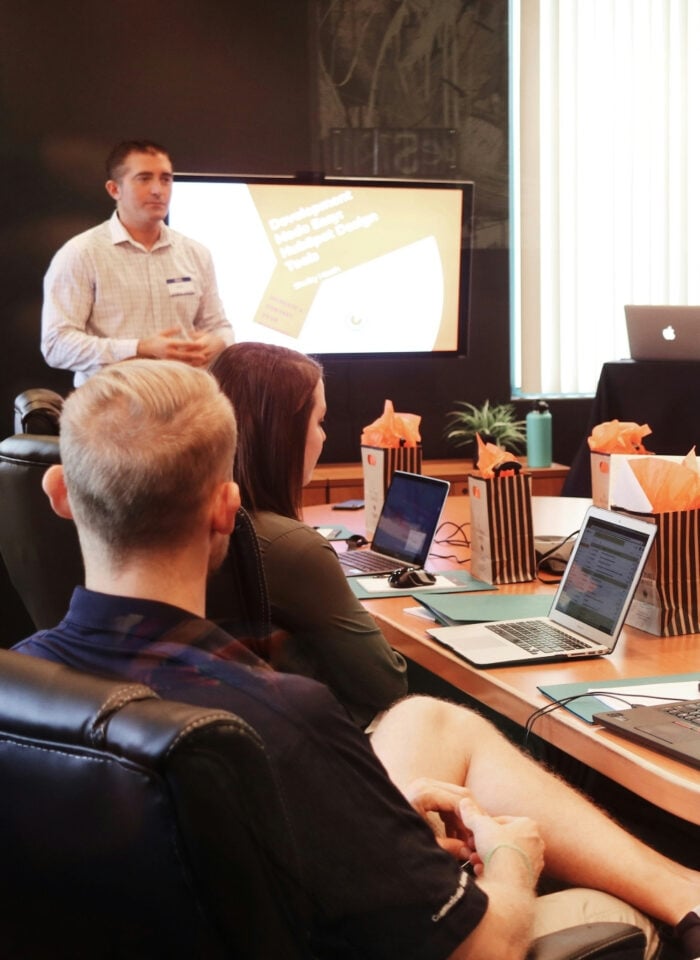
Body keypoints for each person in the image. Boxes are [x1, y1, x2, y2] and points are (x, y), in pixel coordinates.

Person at [12, 359, 700, 960]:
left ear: (59, 497)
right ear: (226, 509)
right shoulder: (280, 719)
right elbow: (481, 948)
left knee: (429, 718)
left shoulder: (23, 686)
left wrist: (378, 809)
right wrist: (513, 860)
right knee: (610, 916)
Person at [211, 341, 407, 727]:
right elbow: (387, 685)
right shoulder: (292, 547)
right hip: (324, 743)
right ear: (281, 433)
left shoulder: (197, 521)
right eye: (319, 421)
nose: (324, 437)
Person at [41, 139, 234, 386]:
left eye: (165, 179)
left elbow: (220, 327)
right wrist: (140, 348)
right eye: (144, 178)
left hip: (186, 402)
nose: (158, 190)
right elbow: (56, 345)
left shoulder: (196, 253)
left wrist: (217, 342)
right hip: (112, 406)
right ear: (114, 189)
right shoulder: (81, 254)